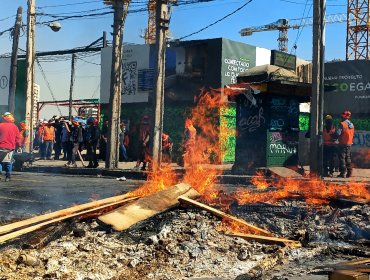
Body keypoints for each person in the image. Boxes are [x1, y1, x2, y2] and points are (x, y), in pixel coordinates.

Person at [0, 112, 21, 181]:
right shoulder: (14, 127)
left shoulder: (0, 125)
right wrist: (19, 146)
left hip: (0, 147)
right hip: (10, 148)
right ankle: (8, 176)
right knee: (8, 162)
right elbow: (18, 138)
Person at [336, 111, 355, 178]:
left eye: (341, 116)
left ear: (343, 116)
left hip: (342, 143)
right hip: (349, 143)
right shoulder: (351, 124)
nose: (340, 117)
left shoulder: (342, 124)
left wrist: (333, 136)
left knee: (342, 158)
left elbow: (338, 134)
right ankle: (349, 173)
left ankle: (343, 173)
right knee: (348, 158)